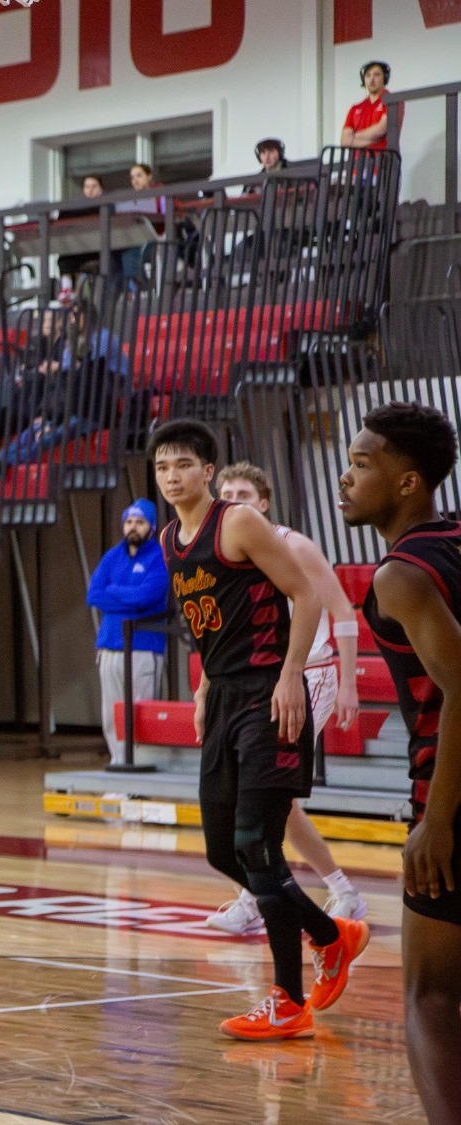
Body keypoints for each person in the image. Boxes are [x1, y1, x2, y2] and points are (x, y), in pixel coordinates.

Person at [149, 420, 367, 1040]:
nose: (172, 476)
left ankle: (288, 999)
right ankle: (332, 935)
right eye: (164, 467)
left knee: (258, 848)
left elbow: (307, 596)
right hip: (222, 696)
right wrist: (200, 689)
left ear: (207, 471)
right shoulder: (170, 539)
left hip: (270, 693)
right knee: (225, 849)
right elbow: (206, 626)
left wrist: (292, 674)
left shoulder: (238, 523)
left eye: (184, 464)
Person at [338, 402, 461, 1119]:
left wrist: (438, 816)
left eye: (362, 464)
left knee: (431, 994)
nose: (346, 478)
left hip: (449, 788)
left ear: (408, 481)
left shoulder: (400, 575)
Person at [205, 463, 369, 932]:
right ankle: (321, 891)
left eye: (243, 492)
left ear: (263, 502)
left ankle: (304, 894)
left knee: (267, 792)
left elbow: (342, 610)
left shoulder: (294, 544)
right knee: (266, 796)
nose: (233, 499)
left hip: (308, 675)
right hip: (259, 682)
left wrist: (350, 683)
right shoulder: (227, 552)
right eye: (226, 493)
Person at [86, 500, 170, 767]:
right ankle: (118, 763)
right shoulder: (112, 556)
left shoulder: (160, 558)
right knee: (112, 714)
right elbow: (93, 595)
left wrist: (114, 591)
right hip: (110, 646)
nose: (133, 527)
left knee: (140, 712)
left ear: (152, 527)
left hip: (143, 648)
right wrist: (127, 598)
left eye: (140, 522)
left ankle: (140, 768)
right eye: (129, 522)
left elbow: (146, 597)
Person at [342, 61, 394, 150]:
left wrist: (354, 136)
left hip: (383, 160)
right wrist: (372, 139)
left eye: (376, 75)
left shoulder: (392, 101)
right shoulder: (355, 108)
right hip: (358, 162)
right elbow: (345, 141)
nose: (371, 79)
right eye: (368, 75)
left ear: (385, 78)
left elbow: (380, 130)